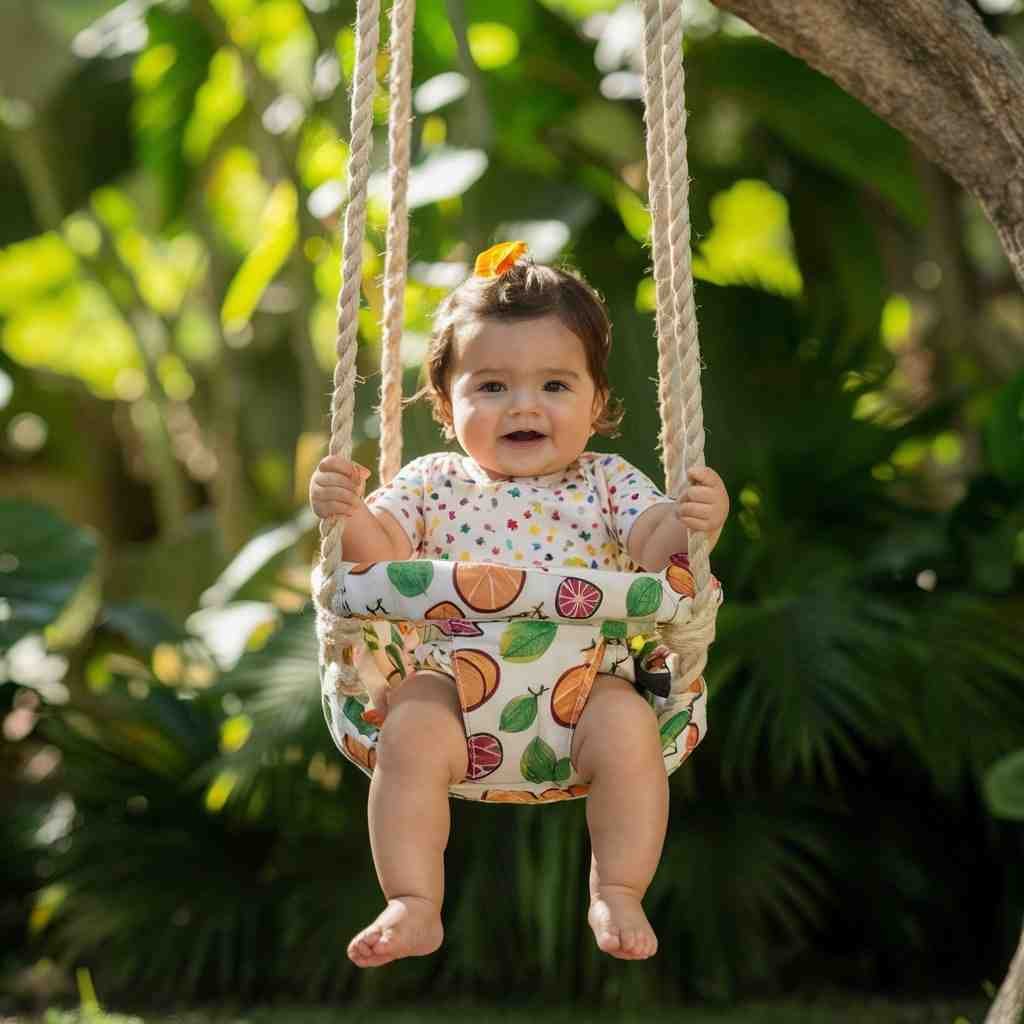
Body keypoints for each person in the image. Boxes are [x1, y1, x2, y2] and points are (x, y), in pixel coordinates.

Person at [309, 241, 729, 969]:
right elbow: (374, 552)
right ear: (446, 404)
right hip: (453, 687)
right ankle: (413, 901)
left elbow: (661, 543)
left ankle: (619, 888)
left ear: (597, 402)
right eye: (493, 386)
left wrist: (698, 520)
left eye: (556, 386)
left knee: (631, 735)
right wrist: (343, 511)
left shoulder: (607, 482)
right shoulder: (433, 481)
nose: (525, 405)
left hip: (584, 690)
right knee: (406, 738)